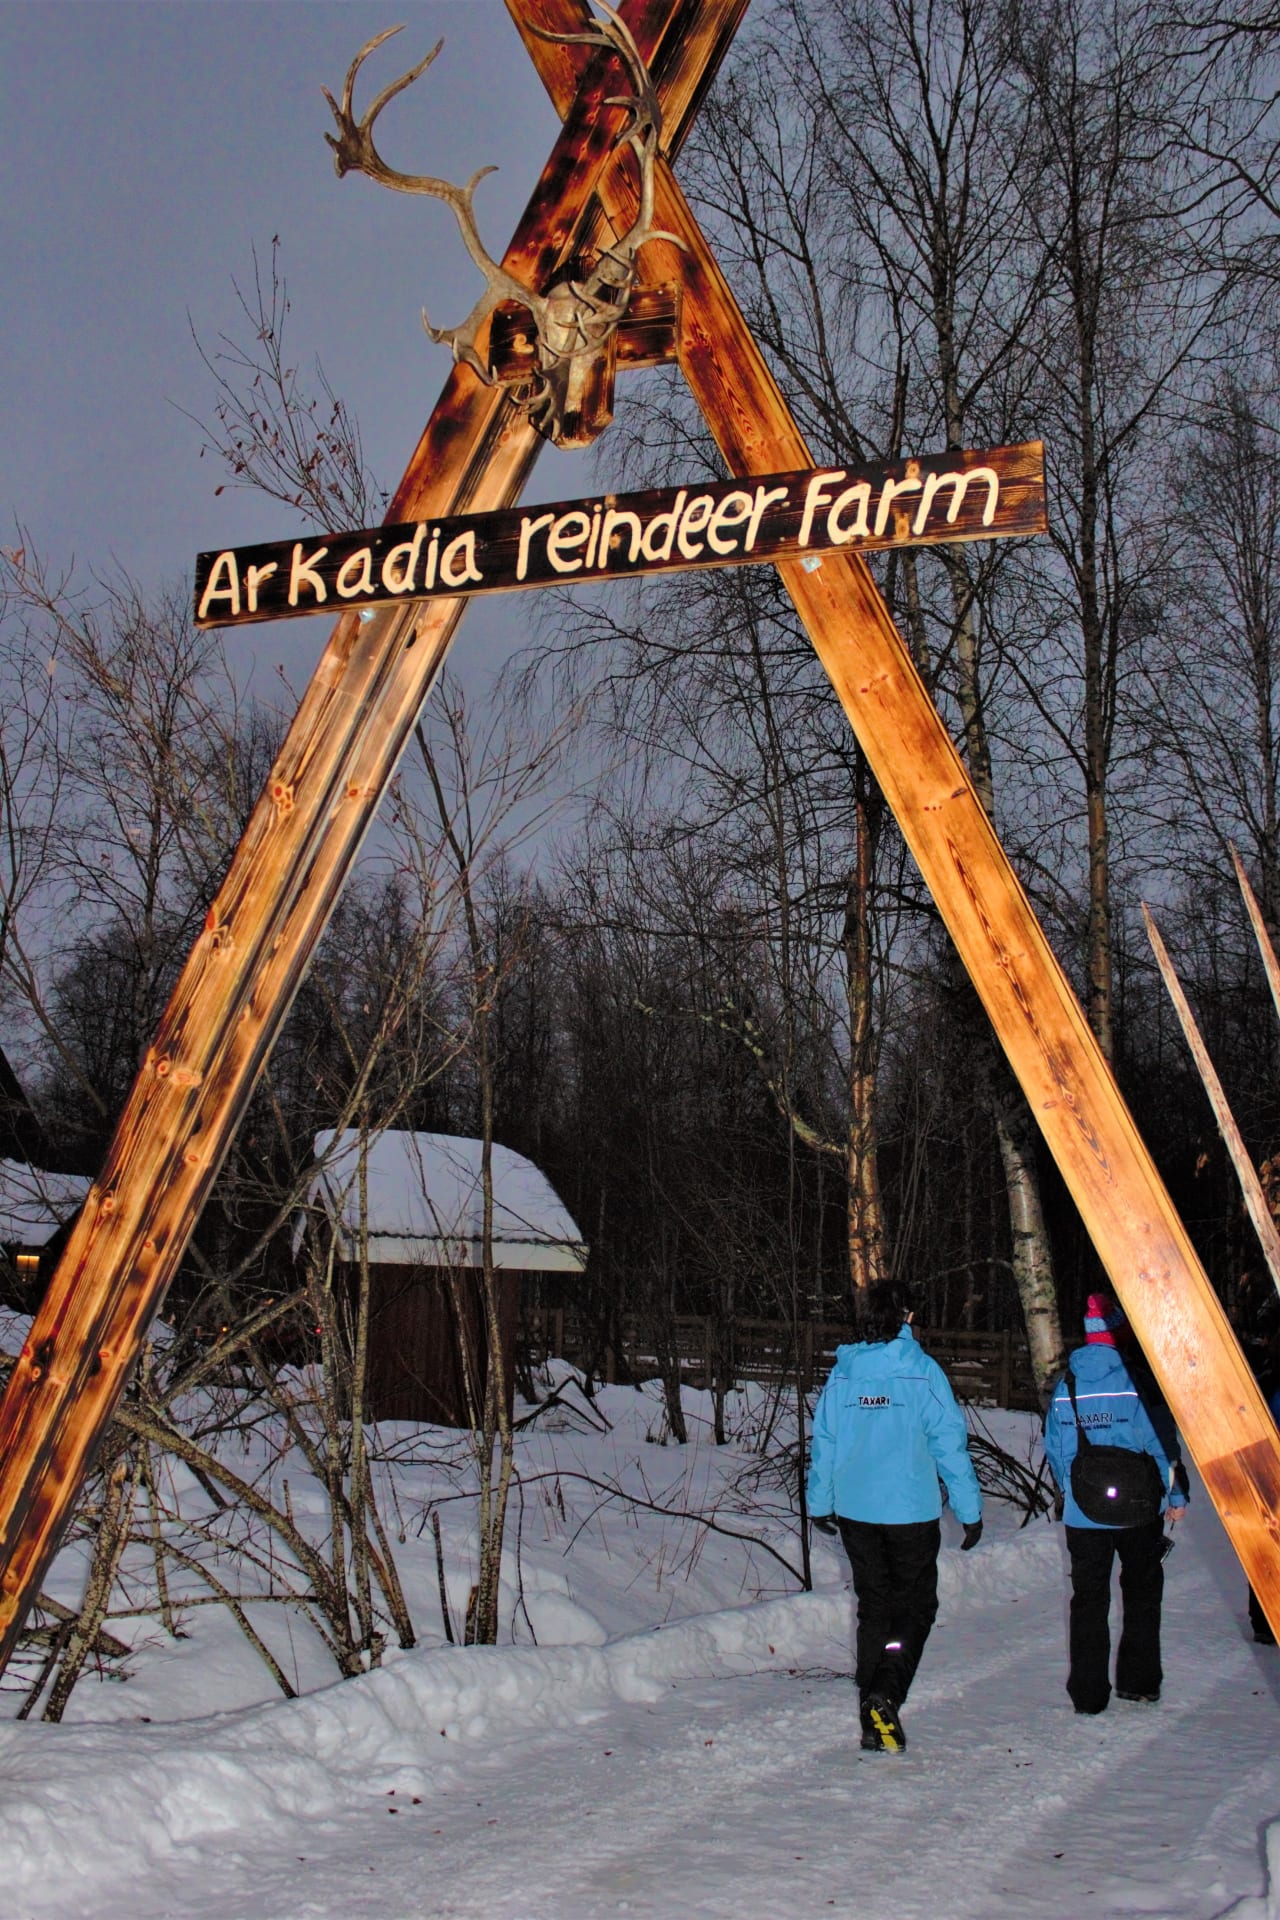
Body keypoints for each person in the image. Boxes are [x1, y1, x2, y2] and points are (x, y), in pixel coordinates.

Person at [806, 1280, 983, 1754]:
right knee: (916, 1609)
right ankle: (885, 1693)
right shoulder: (922, 1372)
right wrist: (969, 1510)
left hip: (857, 1512)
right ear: (905, 1316)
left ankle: (872, 1712)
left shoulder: (844, 1374)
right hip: (909, 1514)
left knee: (875, 1607)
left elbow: (826, 1443)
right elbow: (949, 1444)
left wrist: (819, 1503)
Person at [1042, 1291, 1189, 1714]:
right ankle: (1139, 1683)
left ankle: (1088, 1696)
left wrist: (1069, 1494)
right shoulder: (1135, 1381)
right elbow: (1163, 1446)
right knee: (1141, 1592)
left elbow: (1055, 1448)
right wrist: (1176, 1495)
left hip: (1084, 1513)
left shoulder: (1066, 1384)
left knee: (1088, 1600)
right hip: (1138, 1511)